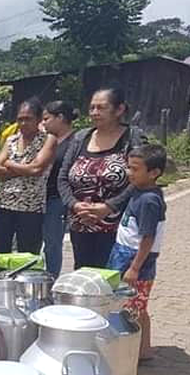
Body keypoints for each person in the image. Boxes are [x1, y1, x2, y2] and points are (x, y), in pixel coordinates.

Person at [58, 87, 148, 270]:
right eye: (92, 108)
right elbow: (63, 177)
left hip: (119, 226)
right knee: (84, 276)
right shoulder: (81, 138)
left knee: (113, 277)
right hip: (81, 223)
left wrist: (109, 207)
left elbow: (141, 179)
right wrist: (74, 205)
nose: (94, 112)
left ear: (119, 109)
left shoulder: (133, 138)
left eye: (101, 108)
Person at [107, 144, 167, 361]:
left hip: (135, 260)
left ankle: (136, 352)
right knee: (137, 306)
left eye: (135, 169)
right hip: (124, 254)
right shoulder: (139, 191)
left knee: (133, 308)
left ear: (154, 173)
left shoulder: (148, 200)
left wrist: (134, 268)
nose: (129, 173)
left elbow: (148, 237)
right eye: (129, 167)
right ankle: (143, 349)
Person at [0, 98, 57, 267]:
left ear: (38, 119)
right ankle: (0, 282)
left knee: (27, 255)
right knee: (1, 253)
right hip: (3, 204)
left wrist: (9, 164)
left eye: (28, 119)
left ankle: (25, 284)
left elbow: (36, 170)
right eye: (20, 119)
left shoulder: (48, 140)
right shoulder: (11, 140)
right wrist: (25, 168)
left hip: (30, 208)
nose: (23, 123)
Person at [40, 101, 78, 277]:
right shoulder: (47, 140)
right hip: (40, 196)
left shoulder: (75, 142)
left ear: (60, 117)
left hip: (58, 198)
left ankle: (51, 279)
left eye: (46, 119)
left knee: (52, 243)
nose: (43, 123)